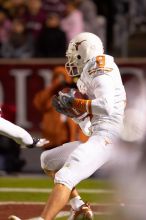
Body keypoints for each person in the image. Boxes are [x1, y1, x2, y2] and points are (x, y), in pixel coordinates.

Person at [9, 32, 126, 220]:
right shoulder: (88, 73)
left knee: (66, 175)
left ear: (85, 52)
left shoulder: (100, 68)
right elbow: (90, 126)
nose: (71, 60)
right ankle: (78, 205)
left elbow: (106, 106)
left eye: (74, 55)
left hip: (110, 138)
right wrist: (79, 117)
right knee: (48, 160)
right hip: (100, 133)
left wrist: (78, 105)